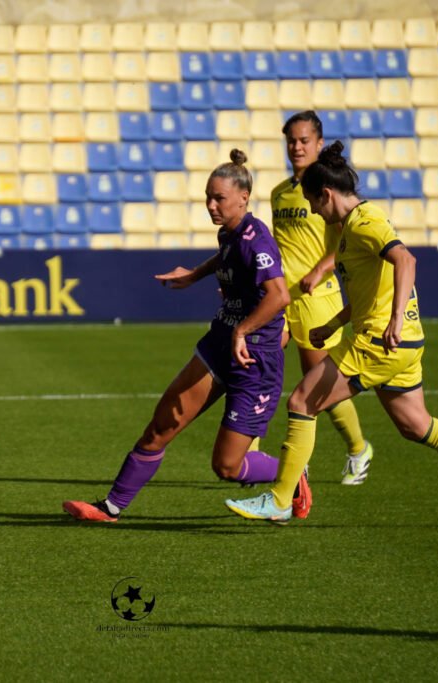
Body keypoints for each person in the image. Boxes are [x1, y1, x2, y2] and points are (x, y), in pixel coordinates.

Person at [225, 142, 438, 528]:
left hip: (379, 341)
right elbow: (370, 289)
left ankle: (281, 499)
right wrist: (334, 324)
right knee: (416, 425)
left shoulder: (366, 222)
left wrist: (395, 319)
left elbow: (406, 260)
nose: (315, 211)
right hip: (401, 343)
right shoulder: (352, 228)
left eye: (316, 204)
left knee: (302, 401)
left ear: (327, 195)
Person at [63, 150, 303, 523]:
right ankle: (109, 508)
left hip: (254, 361)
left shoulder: (257, 240)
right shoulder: (230, 232)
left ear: (243, 197)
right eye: (207, 197)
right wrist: (195, 274)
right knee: (160, 426)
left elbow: (279, 296)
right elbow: (225, 257)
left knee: (226, 466)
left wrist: (243, 329)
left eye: (218, 198)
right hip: (220, 345)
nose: (210, 205)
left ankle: (291, 475)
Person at [272, 111, 373, 492]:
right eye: (291, 141)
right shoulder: (279, 192)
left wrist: (320, 269)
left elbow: (346, 240)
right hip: (283, 301)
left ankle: (358, 448)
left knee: (320, 389)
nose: (296, 147)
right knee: (258, 371)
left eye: (303, 141)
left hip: (320, 300)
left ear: (318, 143)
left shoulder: (329, 190)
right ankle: (278, 462)